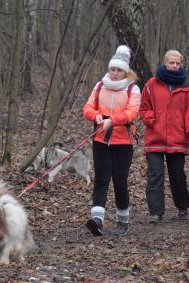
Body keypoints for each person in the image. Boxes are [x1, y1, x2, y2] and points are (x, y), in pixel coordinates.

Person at [83, 45, 140, 236]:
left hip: (123, 141)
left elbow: (131, 113)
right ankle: (97, 220)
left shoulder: (133, 89)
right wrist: (96, 116)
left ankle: (123, 219)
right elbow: (88, 107)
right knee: (101, 178)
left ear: (126, 71)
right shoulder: (100, 85)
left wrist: (112, 121)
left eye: (119, 70)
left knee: (120, 182)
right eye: (112, 69)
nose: (114, 73)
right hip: (100, 140)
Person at [139, 50, 189, 223]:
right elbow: (143, 108)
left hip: (178, 138)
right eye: (171, 63)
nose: (174, 66)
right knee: (155, 175)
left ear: (181, 64)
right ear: (164, 63)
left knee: (177, 174)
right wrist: (151, 119)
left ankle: (182, 208)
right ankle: (156, 212)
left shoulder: (186, 86)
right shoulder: (151, 83)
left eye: (177, 63)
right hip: (155, 137)